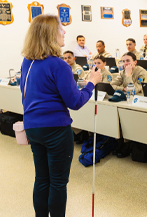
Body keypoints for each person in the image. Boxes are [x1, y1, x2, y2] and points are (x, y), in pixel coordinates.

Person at [20, 14, 102, 217]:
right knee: (57, 182)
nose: (64, 31)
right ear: (50, 34)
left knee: (42, 178)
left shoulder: (27, 62)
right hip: (56, 130)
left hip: (33, 127)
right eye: (60, 28)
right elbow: (75, 102)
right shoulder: (59, 65)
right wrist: (92, 83)